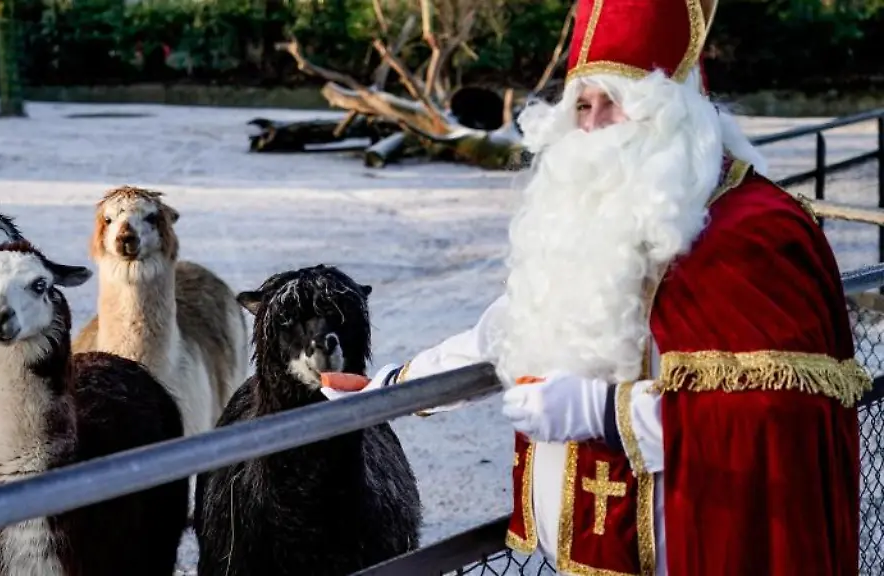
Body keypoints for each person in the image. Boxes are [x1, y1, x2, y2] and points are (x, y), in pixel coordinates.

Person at [320, 0, 870, 574]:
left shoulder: (756, 230)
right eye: (584, 104)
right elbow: (515, 322)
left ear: (676, 113)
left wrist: (608, 413)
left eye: (619, 103)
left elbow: (783, 423)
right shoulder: (601, 208)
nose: (593, 126)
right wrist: (388, 388)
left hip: (698, 549)